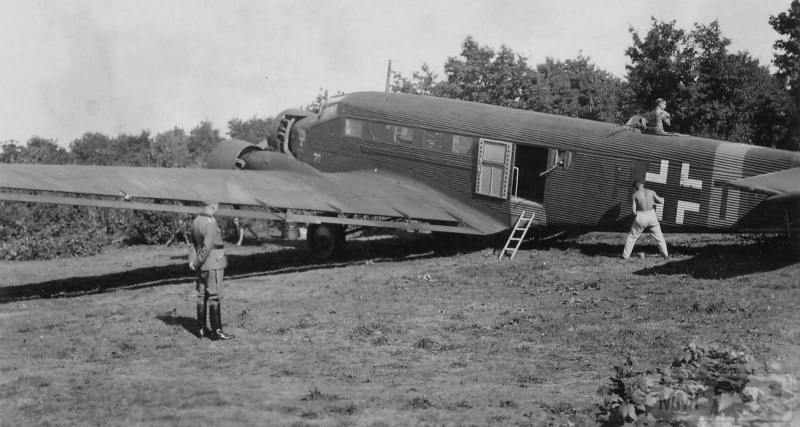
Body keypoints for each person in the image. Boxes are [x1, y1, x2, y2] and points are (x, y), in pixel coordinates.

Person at [189, 200, 235, 340]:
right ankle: (217, 331)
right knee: (215, 296)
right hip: (213, 262)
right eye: (217, 205)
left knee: (202, 295)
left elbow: (193, 244)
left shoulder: (196, 221)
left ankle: (201, 329)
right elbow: (208, 247)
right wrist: (197, 262)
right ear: (213, 206)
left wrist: (193, 262)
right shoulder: (211, 222)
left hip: (201, 264)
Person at [622, 180, 669, 259]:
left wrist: (637, 216)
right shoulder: (651, 192)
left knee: (632, 237)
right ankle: (665, 255)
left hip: (641, 216)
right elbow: (661, 201)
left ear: (636, 187)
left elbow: (633, 211)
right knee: (659, 237)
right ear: (642, 185)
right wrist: (652, 202)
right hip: (651, 215)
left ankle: (625, 256)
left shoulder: (635, 195)